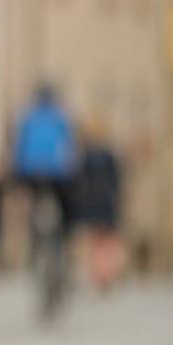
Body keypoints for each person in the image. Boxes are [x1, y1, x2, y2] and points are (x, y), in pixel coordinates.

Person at [12, 84, 77, 234]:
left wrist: (18, 170)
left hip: (31, 170)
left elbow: (20, 146)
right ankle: (61, 239)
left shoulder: (29, 116)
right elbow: (69, 146)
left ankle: (34, 237)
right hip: (56, 172)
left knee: (33, 204)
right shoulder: (60, 117)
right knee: (63, 207)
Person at [74, 119, 124, 292]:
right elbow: (117, 181)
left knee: (94, 242)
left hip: (90, 203)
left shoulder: (86, 156)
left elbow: (78, 181)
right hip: (107, 202)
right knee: (108, 241)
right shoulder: (109, 156)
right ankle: (108, 273)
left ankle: (97, 273)